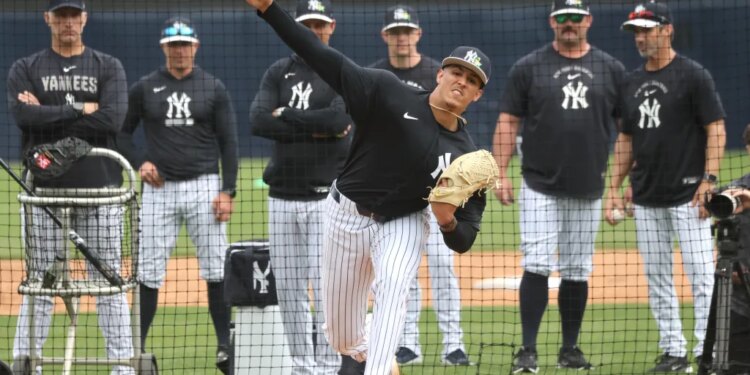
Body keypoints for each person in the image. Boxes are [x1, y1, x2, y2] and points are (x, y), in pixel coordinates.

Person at [243, 1, 492, 374]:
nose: (462, 81)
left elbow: (466, 237)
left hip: (405, 222)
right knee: (340, 337)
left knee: (394, 287)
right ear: (440, 74)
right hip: (345, 216)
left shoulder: (469, 159)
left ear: (477, 95)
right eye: (457, 71)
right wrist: (269, 9)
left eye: (472, 80)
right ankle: (373, 349)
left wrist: (447, 222)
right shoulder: (387, 91)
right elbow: (318, 53)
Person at [492, 0, 625, 372]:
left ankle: (570, 349)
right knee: (535, 263)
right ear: (552, 22)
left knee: (577, 269)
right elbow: (507, 122)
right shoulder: (529, 67)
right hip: (539, 184)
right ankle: (528, 350)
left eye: (576, 18)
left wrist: (620, 183)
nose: (569, 24)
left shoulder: (610, 68)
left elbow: (626, 130)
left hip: (589, 186)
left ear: (589, 21)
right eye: (562, 18)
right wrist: (500, 172)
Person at [7, 0, 133, 373]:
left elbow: (112, 119)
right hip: (44, 193)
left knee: (109, 284)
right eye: (60, 15)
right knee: (39, 284)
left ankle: (123, 367)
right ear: (47, 18)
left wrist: (48, 115)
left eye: (73, 15)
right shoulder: (26, 67)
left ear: (84, 18)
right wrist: (82, 110)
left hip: (100, 192)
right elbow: (22, 116)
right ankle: (26, 364)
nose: (67, 22)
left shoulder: (108, 66)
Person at [605, 1, 726, 372]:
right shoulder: (630, 80)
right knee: (658, 279)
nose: (640, 37)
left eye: (647, 29)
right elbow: (626, 138)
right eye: (636, 32)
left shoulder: (693, 75)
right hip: (646, 197)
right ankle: (673, 352)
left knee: (703, 279)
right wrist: (615, 185)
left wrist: (709, 180)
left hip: (689, 197)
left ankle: (709, 353)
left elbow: (716, 127)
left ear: (667, 29)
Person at [117, 16, 238, 374]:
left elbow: (229, 142)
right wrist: (140, 162)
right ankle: (135, 352)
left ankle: (224, 348)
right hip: (160, 189)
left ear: (195, 47)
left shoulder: (213, 88)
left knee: (217, 268)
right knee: (148, 271)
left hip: (204, 186)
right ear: (164, 48)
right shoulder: (145, 87)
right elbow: (123, 133)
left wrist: (227, 190)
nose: (180, 50)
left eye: (185, 44)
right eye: (173, 45)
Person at [248, 0, 350, 373]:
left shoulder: (340, 71)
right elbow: (258, 121)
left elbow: (340, 120)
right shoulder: (278, 71)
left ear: (331, 27)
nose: (312, 31)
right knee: (289, 290)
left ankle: (326, 365)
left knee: (326, 289)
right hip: (282, 197)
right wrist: (318, 127)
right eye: (306, 24)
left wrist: (287, 115)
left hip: (326, 198)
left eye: (319, 24)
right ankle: (300, 366)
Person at [368, 4, 469, 367]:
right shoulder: (376, 75)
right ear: (385, 36)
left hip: (436, 186)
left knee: (443, 266)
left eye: (406, 31)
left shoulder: (435, 73)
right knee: (400, 269)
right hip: (394, 189)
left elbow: (455, 124)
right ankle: (406, 342)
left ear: (417, 34)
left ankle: (453, 343)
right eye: (394, 32)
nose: (401, 37)